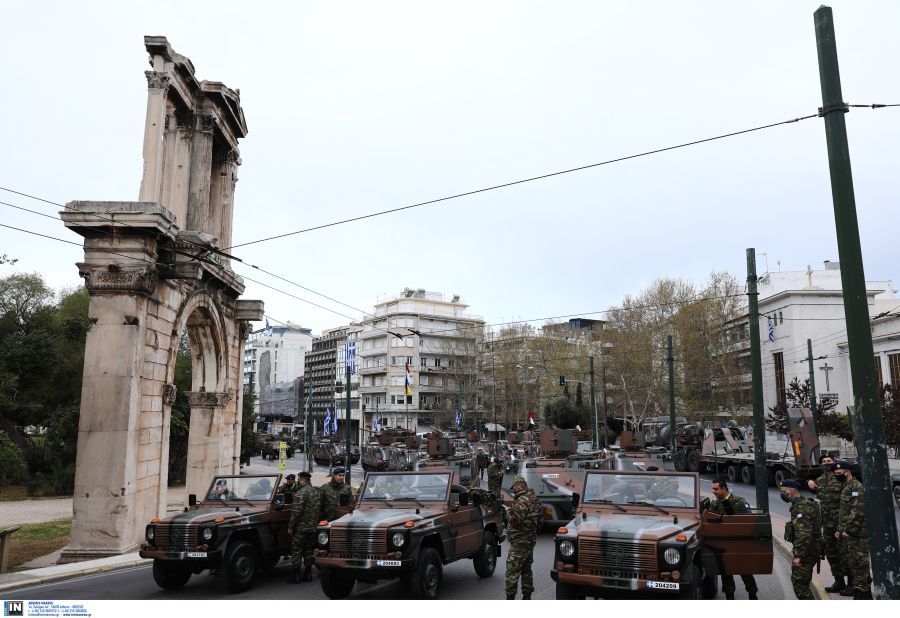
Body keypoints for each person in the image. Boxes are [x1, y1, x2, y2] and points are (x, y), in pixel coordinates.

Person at [709, 478, 758, 600]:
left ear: (724, 489)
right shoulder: (715, 504)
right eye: (713, 489)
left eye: (716, 489)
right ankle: (729, 596)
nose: (714, 492)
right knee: (725, 573)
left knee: (745, 571)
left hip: (739, 543)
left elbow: (749, 522)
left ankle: (752, 595)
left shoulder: (739, 502)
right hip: (723, 544)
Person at [807, 454, 848, 592]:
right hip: (827, 525)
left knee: (845, 553)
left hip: (841, 524)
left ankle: (853, 584)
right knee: (832, 554)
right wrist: (810, 484)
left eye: (828, 461)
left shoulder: (841, 478)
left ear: (834, 462)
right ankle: (839, 582)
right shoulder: (820, 480)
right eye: (823, 462)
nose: (826, 463)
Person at [832, 460, 872, 599]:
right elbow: (844, 512)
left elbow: (858, 511)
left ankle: (862, 596)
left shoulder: (856, 487)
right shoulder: (846, 486)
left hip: (859, 534)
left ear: (847, 472)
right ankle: (864, 594)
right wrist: (840, 529)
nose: (837, 476)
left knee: (860, 564)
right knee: (855, 564)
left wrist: (848, 530)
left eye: (838, 473)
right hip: (851, 533)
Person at [779, 479, 822, 599]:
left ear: (790, 490)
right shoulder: (803, 503)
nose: (782, 494)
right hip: (811, 549)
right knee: (803, 584)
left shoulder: (801, 508)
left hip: (807, 552)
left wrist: (799, 556)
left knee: (800, 587)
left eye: (783, 491)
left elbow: (804, 534)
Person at [504, 475, 543, 600]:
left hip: (519, 544)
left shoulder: (522, 501)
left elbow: (514, 520)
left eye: (514, 487)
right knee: (526, 571)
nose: (513, 490)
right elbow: (541, 522)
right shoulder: (535, 499)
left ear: (518, 486)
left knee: (512, 572)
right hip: (530, 542)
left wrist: (508, 511)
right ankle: (527, 597)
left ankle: (510, 599)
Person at [287, 471, 320, 583]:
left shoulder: (300, 493)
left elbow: (296, 512)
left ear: (301, 480)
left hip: (301, 528)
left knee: (296, 550)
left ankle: (295, 576)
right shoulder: (315, 492)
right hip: (312, 527)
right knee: (308, 550)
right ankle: (308, 574)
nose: (298, 481)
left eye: (299, 479)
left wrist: (291, 527)